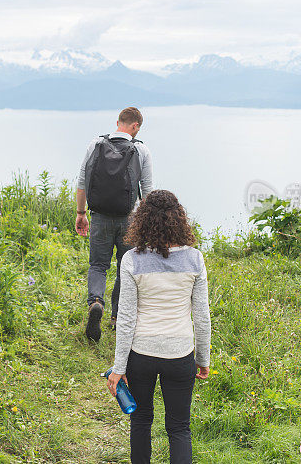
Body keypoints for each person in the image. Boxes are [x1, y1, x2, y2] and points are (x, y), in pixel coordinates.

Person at [106, 189, 210, 463]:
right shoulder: (195, 259)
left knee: (140, 421)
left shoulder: (131, 260)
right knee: (179, 428)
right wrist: (203, 359)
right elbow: (201, 317)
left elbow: (126, 318)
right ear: (179, 219)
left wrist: (119, 367)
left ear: (142, 220)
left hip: (142, 355)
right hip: (180, 355)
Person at [76, 106, 153, 342]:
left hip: (99, 215)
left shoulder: (95, 145)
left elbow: (82, 182)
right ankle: (117, 317)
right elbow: (148, 192)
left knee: (98, 265)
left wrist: (81, 213)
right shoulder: (141, 149)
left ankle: (96, 302)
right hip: (129, 218)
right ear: (136, 126)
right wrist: (145, 224)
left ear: (118, 122)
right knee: (125, 267)